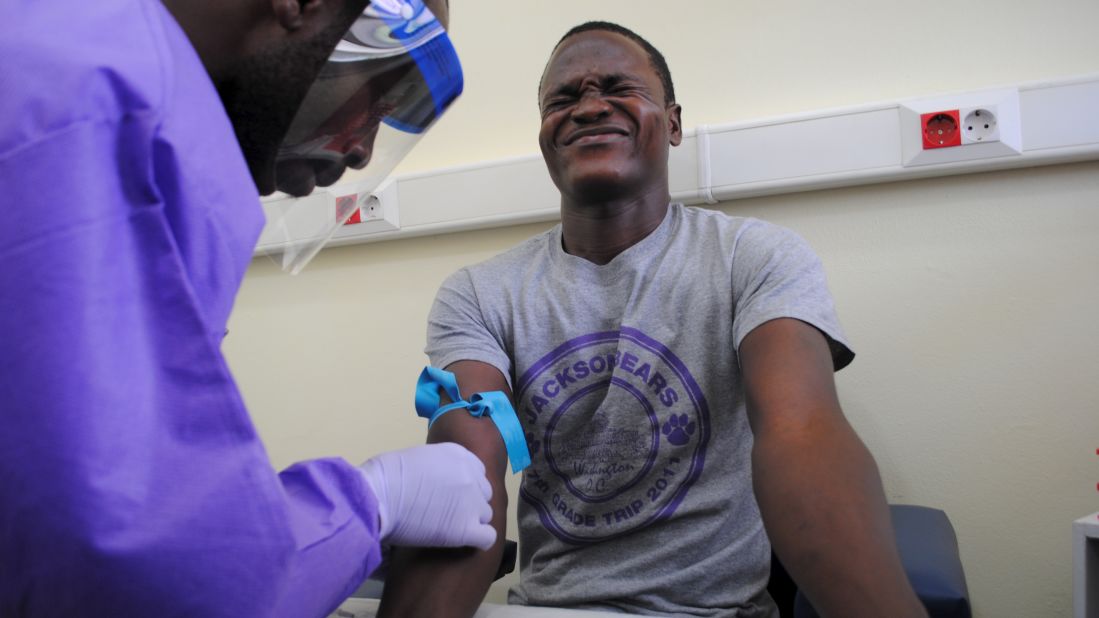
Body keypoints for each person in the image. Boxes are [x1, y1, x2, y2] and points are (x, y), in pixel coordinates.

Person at [379, 21, 929, 618]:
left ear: (672, 123)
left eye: (618, 88)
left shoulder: (755, 258)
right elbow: (465, 476)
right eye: (562, 99)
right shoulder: (479, 295)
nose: (589, 107)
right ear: (544, 138)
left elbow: (802, 434)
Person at [0, 1, 496, 616]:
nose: (366, 150)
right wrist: (369, 503)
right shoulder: (99, 100)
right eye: (380, 93)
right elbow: (140, 576)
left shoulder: (72, 47)